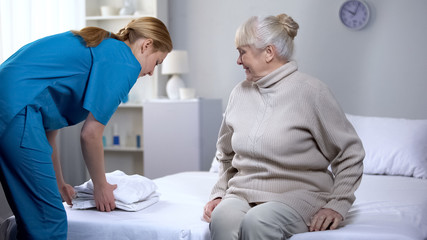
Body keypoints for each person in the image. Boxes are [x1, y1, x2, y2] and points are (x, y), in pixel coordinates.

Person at [0, 16, 172, 239]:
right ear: (146, 45)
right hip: (16, 109)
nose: (151, 72)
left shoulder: (104, 47)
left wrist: (59, 183)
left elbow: (49, 127)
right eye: (157, 62)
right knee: (49, 222)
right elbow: (90, 134)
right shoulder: (124, 62)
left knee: (35, 217)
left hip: (14, 106)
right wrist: (101, 186)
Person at [203, 13, 364, 239]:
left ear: (269, 52)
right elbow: (226, 153)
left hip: (298, 195)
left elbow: (350, 153)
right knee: (221, 219)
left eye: (242, 52)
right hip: (241, 193)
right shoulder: (239, 93)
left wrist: (338, 203)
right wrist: (220, 193)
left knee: (258, 221)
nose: (238, 61)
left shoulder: (311, 92)